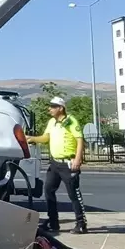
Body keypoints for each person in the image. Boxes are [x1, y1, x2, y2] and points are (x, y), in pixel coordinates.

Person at [25, 96, 88, 234]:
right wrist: (32, 138)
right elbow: (46, 137)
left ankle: (81, 223)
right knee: (48, 190)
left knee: (73, 194)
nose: (50, 109)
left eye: (53, 106)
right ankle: (53, 222)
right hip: (55, 163)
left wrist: (78, 159)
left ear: (61, 108)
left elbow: (79, 140)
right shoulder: (52, 122)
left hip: (68, 162)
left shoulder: (70, 121)